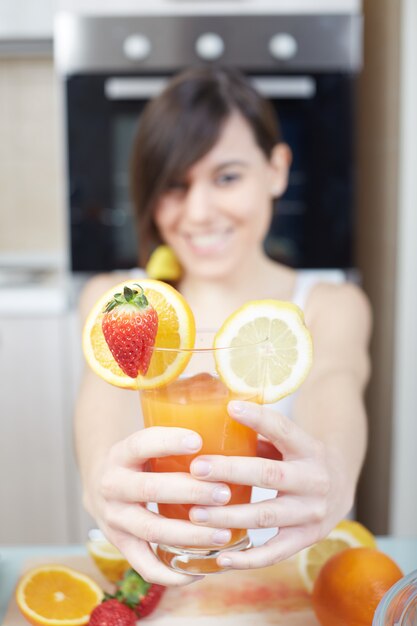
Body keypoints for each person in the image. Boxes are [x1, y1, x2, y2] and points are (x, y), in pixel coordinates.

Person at [75, 66, 371, 587]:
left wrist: (337, 475)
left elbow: (335, 389)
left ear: (277, 170)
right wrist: (99, 478)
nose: (199, 212)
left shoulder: (330, 305)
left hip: (287, 581)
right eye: (174, 185)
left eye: (226, 177)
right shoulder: (121, 302)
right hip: (162, 578)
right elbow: (101, 407)